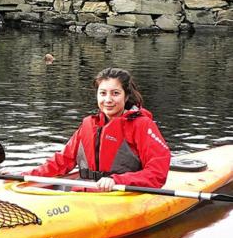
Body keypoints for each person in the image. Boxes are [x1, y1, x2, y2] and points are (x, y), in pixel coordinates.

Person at [27, 67, 171, 191]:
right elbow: (62, 161)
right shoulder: (89, 125)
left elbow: (157, 172)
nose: (108, 100)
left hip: (122, 192)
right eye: (103, 93)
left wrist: (117, 180)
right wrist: (25, 175)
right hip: (88, 192)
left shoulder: (142, 125)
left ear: (126, 96)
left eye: (115, 93)